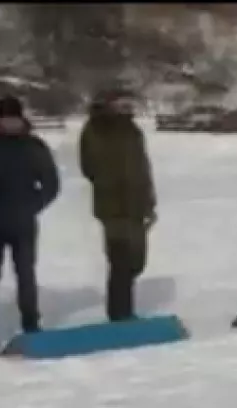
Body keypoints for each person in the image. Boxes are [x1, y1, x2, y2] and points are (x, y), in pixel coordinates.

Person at [0, 95, 60, 349]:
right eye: (5, 119)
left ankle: (31, 322)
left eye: (14, 119)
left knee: (26, 275)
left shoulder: (33, 146)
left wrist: (33, 205)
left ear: (21, 119)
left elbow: (51, 183)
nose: (10, 124)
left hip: (22, 223)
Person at [79, 88, 157, 322]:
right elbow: (89, 166)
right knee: (120, 259)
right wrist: (109, 183)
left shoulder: (133, 131)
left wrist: (149, 202)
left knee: (136, 261)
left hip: (137, 205)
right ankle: (120, 313)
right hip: (112, 206)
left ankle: (123, 307)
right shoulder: (96, 129)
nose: (126, 107)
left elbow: (143, 167)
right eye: (121, 103)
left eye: (128, 104)